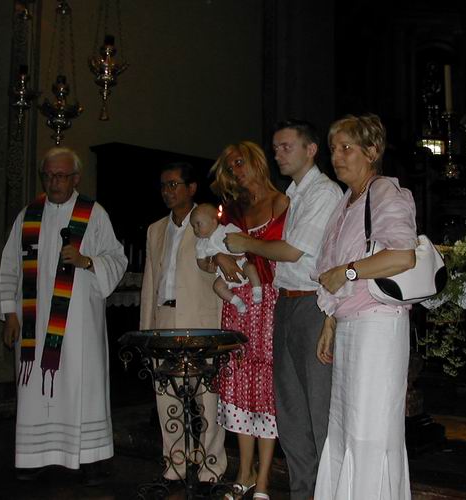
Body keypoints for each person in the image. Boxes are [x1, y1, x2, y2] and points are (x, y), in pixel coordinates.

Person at [224, 119, 343, 499]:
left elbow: (292, 252)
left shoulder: (324, 192)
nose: (278, 154)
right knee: (290, 410)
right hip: (285, 302)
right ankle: (303, 491)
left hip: (312, 302)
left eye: (286, 146)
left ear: (311, 150)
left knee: (317, 407)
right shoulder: (293, 195)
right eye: (275, 148)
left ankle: (327, 492)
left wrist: (245, 243)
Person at [0, 147, 127, 485]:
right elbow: (10, 266)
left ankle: (90, 457)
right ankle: (35, 456)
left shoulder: (93, 213)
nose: (53, 182)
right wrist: (9, 313)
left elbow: (117, 258)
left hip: (80, 326)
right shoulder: (28, 215)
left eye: (61, 176)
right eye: (48, 176)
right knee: (34, 393)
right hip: (35, 324)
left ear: (76, 178)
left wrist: (87, 261)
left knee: (83, 387)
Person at [314, 114, 416, 499]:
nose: (336, 157)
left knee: (370, 429)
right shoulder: (347, 202)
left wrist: (349, 272)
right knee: (346, 426)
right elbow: (333, 271)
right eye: (333, 149)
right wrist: (330, 323)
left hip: (379, 325)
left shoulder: (384, 191)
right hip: (351, 323)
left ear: (372, 151)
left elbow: (403, 256)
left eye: (347, 148)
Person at [206, 141, 288, 500]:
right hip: (238, 305)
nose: (236, 172)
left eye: (240, 163)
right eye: (230, 167)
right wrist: (218, 258)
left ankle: (264, 478)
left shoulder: (283, 202)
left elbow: (292, 254)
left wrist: (248, 249)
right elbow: (205, 250)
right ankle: (244, 472)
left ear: (256, 161)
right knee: (238, 384)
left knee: (265, 388)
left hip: (269, 302)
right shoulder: (232, 209)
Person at [139, 162, 227, 484]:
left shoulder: (208, 222)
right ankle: (175, 461)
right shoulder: (155, 229)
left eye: (174, 184)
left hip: (201, 318)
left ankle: (211, 465)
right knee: (166, 394)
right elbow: (150, 280)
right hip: (164, 317)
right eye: (164, 185)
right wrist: (146, 329)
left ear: (191, 188)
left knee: (207, 396)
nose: (168, 191)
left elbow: (220, 272)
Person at [190, 203, 262, 314]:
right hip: (223, 274)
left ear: (213, 221)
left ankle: (257, 289)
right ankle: (237, 302)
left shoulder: (227, 229)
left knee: (251, 268)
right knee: (217, 287)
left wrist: (241, 250)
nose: (195, 229)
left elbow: (244, 238)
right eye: (193, 226)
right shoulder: (201, 244)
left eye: (198, 224)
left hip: (241, 263)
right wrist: (207, 267)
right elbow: (200, 261)